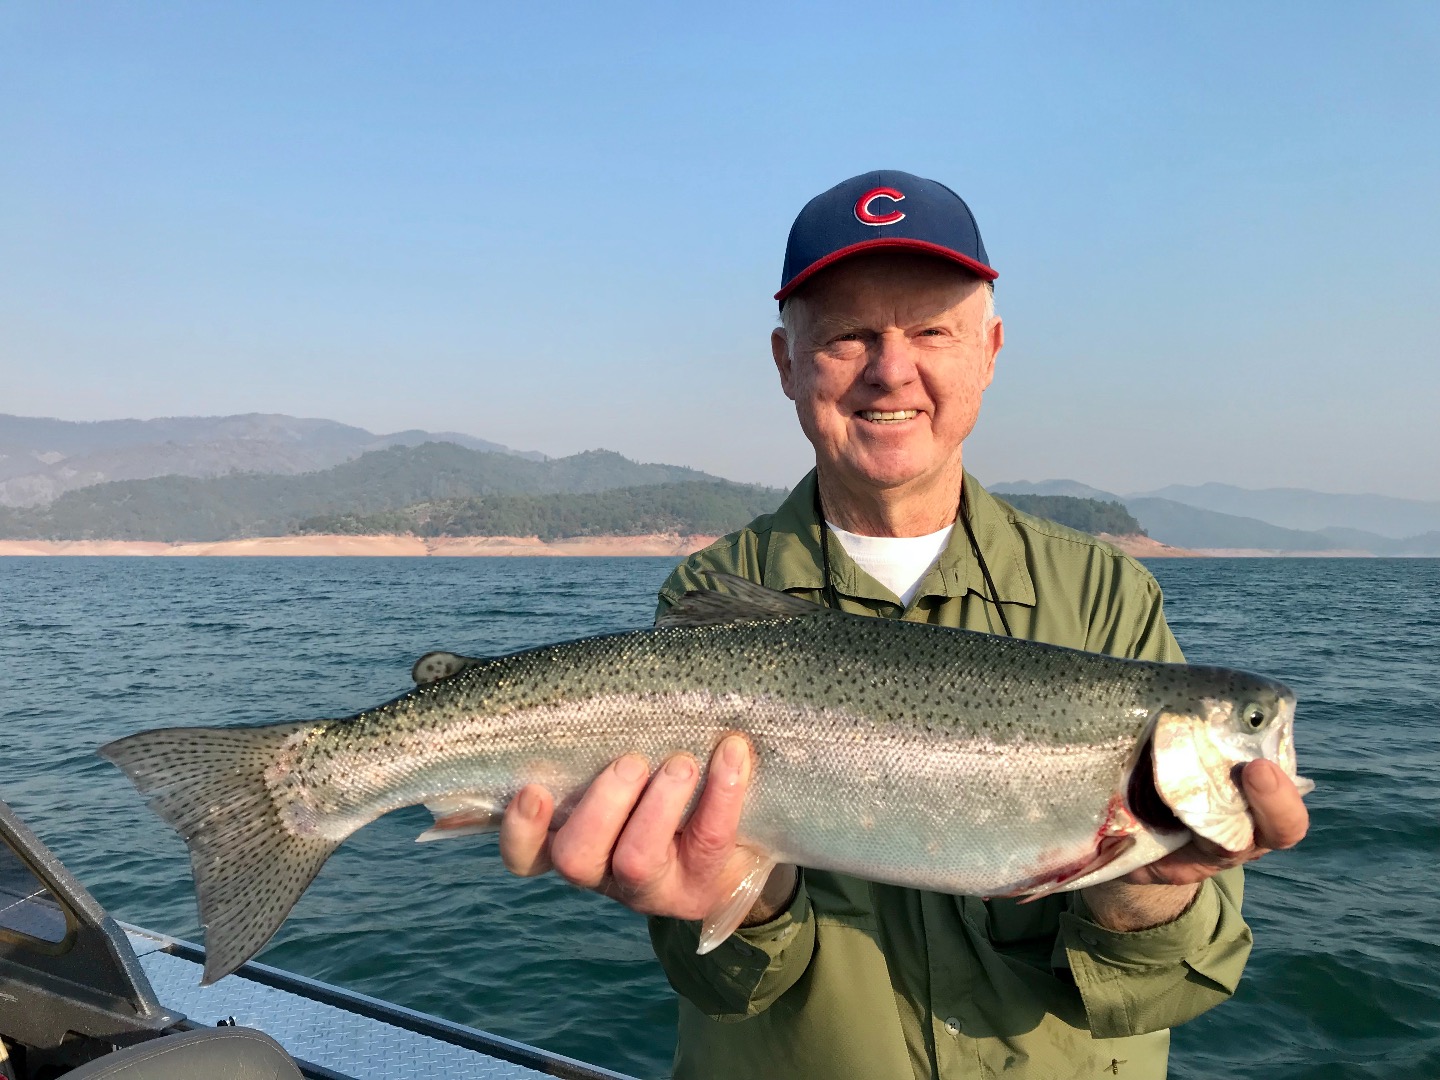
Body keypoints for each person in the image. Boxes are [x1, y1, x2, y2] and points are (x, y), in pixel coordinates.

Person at [498, 170, 1310, 1079]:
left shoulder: (1108, 595)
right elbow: (728, 988)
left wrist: (1139, 894)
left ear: (989, 350)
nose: (894, 369)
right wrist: (737, 901)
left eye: (933, 330)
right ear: (786, 361)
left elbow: (1169, 991)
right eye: (850, 334)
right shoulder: (715, 592)